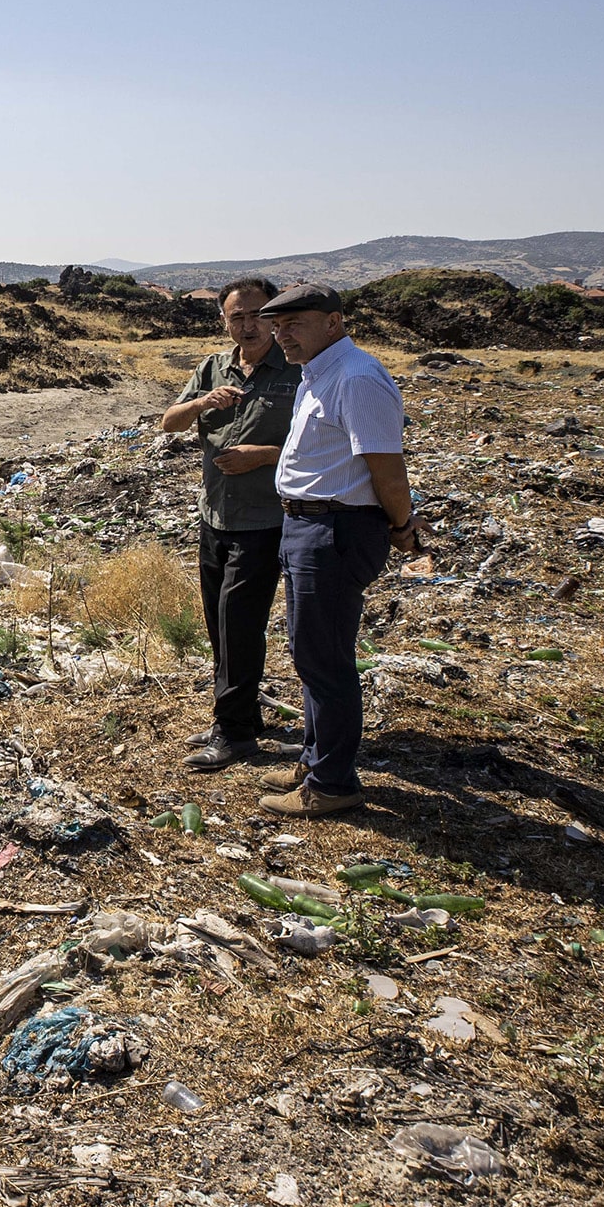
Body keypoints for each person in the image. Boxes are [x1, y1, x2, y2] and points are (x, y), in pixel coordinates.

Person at [253, 281, 420, 817]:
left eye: (293, 325)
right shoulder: (319, 374)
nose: (282, 338)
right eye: (277, 328)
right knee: (309, 650)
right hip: (309, 527)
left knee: (324, 656)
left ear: (333, 322)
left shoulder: (357, 378)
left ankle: (333, 783)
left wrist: (402, 526)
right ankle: (315, 757)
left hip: (335, 530)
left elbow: (387, 470)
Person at [158, 276, 302, 772]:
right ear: (225, 321)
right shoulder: (213, 367)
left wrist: (264, 456)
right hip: (214, 514)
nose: (247, 325)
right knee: (219, 625)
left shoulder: (298, 370)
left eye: (257, 314)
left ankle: (236, 734)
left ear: (275, 316)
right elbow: (168, 423)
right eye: (236, 317)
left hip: (266, 520)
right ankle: (236, 714)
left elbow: (328, 445)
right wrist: (201, 403)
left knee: (241, 624)